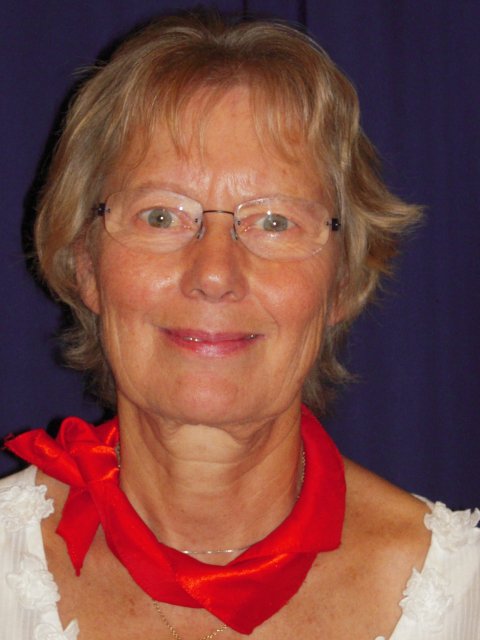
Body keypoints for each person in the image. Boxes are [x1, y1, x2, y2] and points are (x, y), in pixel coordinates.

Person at [1, 11, 479, 640]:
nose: (214, 273)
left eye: (274, 221)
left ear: (341, 281)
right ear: (87, 264)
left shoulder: (463, 594)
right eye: (162, 216)